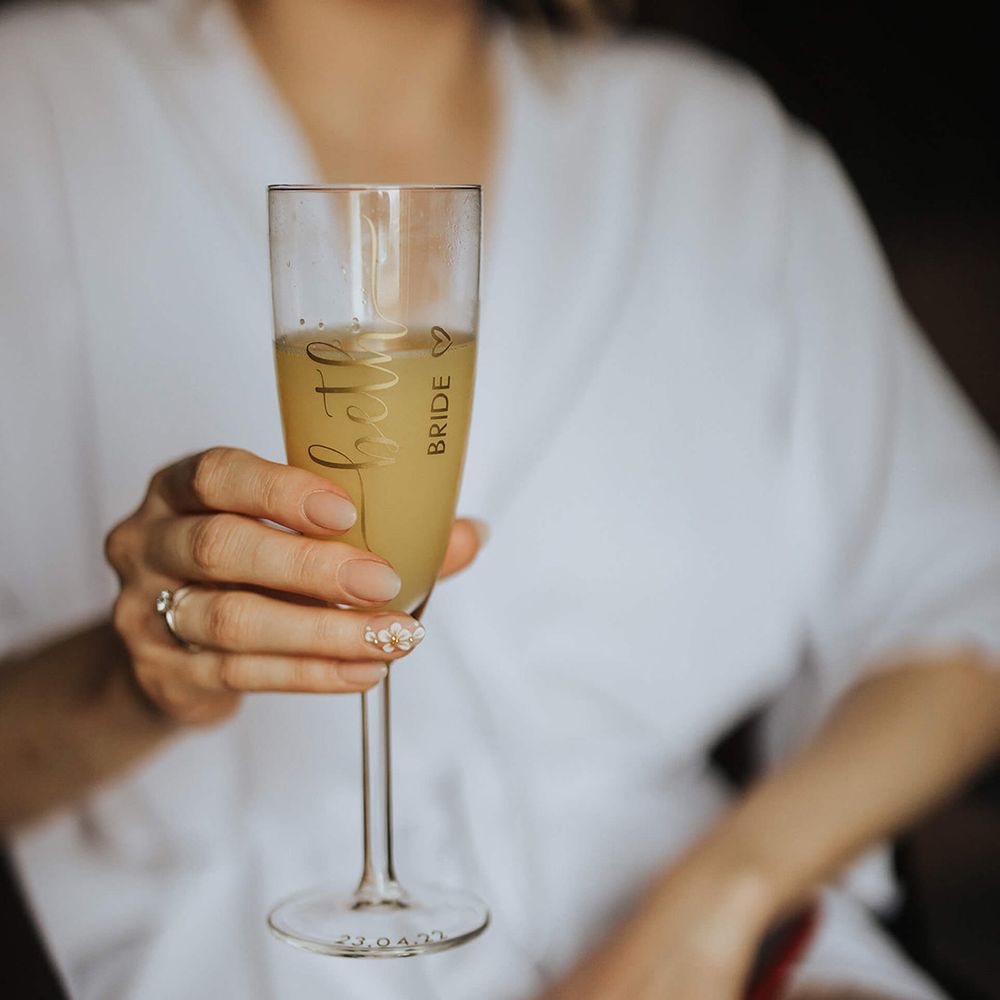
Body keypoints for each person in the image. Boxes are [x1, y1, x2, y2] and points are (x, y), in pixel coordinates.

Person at [2, 0, 999, 997]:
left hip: (698, 939)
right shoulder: (37, 114)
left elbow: (967, 592)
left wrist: (722, 895)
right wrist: (132, 678)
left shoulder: (711, 147)